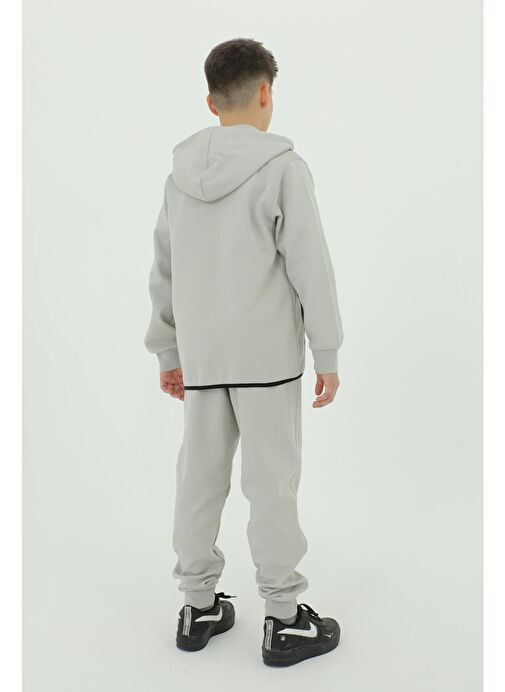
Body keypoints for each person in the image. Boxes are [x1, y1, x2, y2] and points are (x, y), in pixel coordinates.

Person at [144, 37, 344, 667]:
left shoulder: (177, 179)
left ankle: (197, 605)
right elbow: (311, 266)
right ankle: (283, 619)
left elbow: (164, 271)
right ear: (265, 93)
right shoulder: (284, 168)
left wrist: (167, 351)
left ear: (211, 102)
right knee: (272, 485)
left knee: (198, 481)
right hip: (267, 362)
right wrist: (327, 350)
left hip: (202, 359)